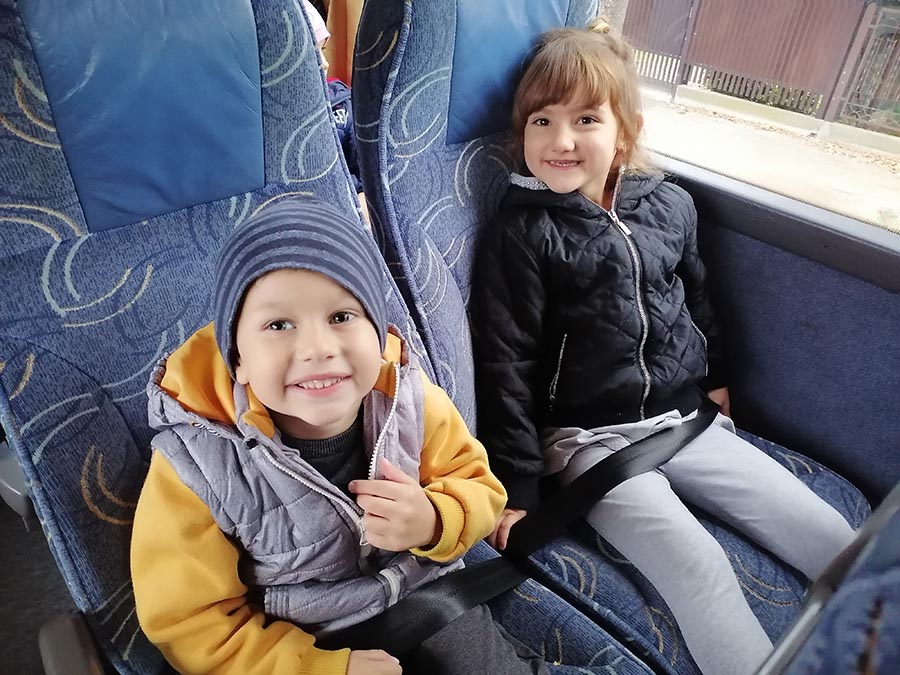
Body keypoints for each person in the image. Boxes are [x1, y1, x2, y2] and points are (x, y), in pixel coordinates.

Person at [470, 18, 857, 675]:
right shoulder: (522, 233)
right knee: (697, 564)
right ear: (522, 133)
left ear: (625, 132)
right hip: (588, 441)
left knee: (824, 531)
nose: (561, 140)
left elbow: (696, 302)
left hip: (682, 416)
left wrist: (716, 377)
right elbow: (507, 363)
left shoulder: (670, 205)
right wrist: (518, 487)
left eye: (586, 119)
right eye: (542, 121)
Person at [132, 196, 575, 675]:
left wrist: (435, 520)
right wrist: (317, 669)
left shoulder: (410, 400)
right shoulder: (196, 465)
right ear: (237, 360)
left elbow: (480, 487)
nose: (318, 347)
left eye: (341, 316)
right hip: (303, 645)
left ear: (377, 334)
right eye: (278, 325)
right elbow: (192, 623)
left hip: (427, 599)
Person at [304, 0, 369, 223]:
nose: (325, 63)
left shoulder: (341, 101)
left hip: (352, 207)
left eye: (323, 50)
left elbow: (365, 171)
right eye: (311, 54)